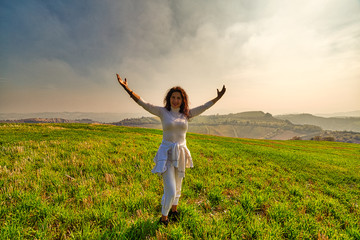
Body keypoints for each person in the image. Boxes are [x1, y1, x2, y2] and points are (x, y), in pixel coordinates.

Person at [116, 74, 226, 226]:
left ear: (183, 100)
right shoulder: (162, 112)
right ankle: (163, 219)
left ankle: (174, 211)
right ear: (169, 99)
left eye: (178, 98)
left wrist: (218, 98)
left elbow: (204, 107)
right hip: (166, 153)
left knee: (178, 186)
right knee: (171, 189)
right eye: (173, 97)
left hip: (180, 153)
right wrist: (127, 88)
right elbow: (143, 103)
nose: (175, 100)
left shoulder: (187, 114)